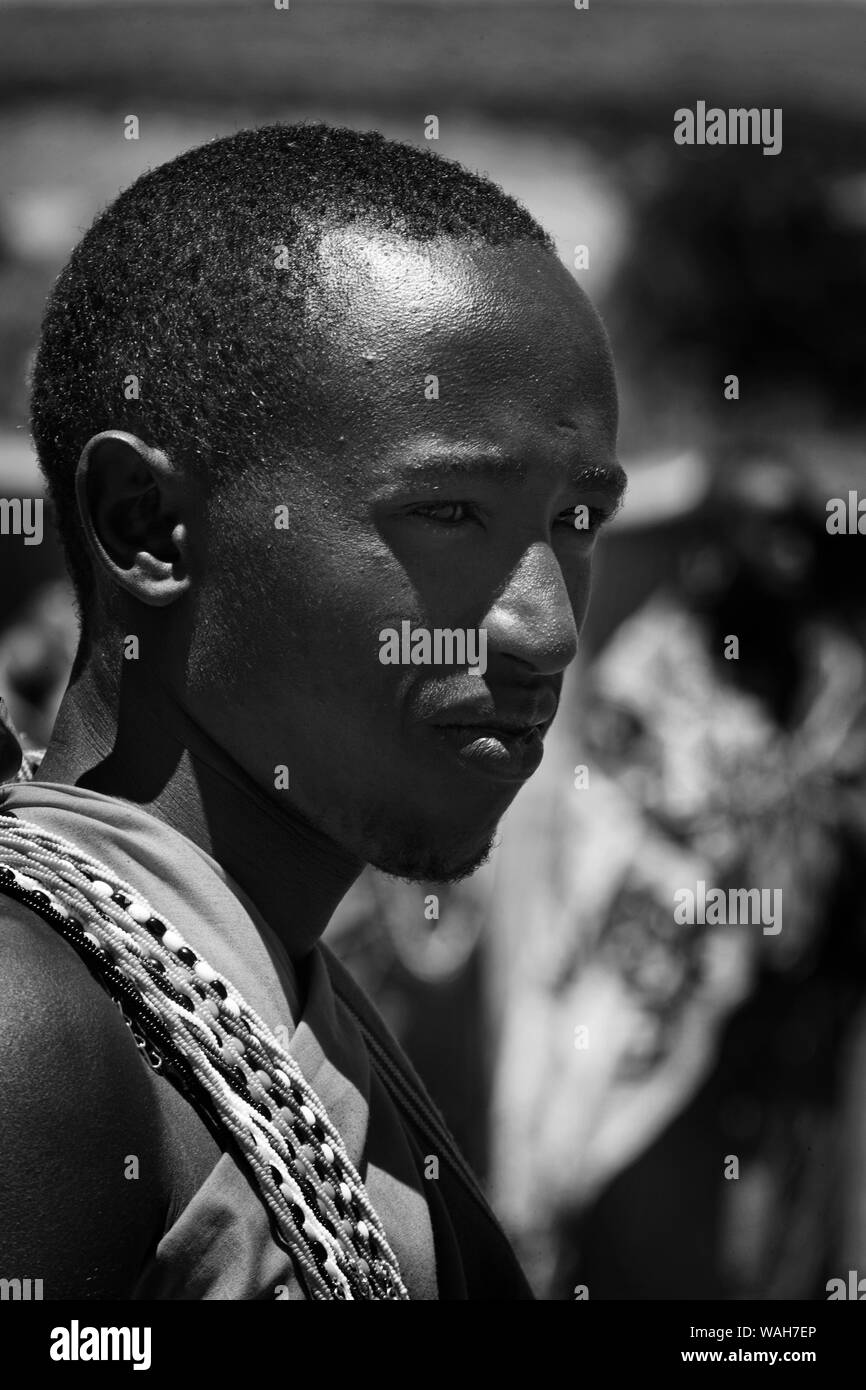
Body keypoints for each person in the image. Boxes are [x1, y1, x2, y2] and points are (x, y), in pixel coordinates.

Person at [0, 122, 624, 1300]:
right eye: (449, 515)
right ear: (146, 524)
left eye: (576, 522)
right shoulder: (32, 1038)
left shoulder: (295, 1007)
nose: (546, 629)